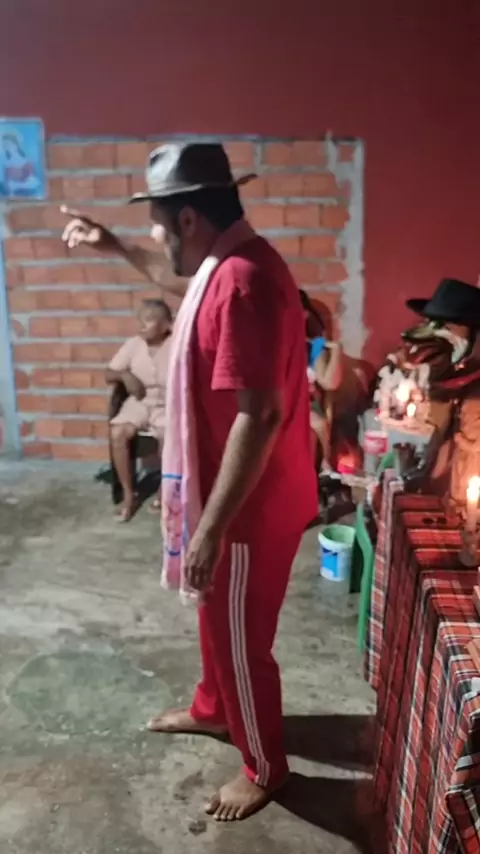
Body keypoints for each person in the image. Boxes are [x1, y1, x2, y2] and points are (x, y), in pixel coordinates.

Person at [62, 142, 317, 822]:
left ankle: (265, 765)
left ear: (186, 221)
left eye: (154, 222)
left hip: (249, 506)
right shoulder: (225, 268)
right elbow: (177, 279)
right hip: (235, 494)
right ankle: (214, 709)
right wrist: (114, 246)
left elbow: (260, 417)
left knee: (240, 641)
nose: (153, 235)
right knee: (214, 614)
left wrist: (210, 527)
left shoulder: (242, 283)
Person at [106, 299, 172, 522]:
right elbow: (108, 373)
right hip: (140, 401)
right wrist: (125, 375)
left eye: (149, 319)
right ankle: (129, 495)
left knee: (169, 436)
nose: (142, 325)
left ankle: (164, 490)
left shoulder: (177, 344)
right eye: (140, 319)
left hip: (168, 403)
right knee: (118, 432)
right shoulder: (134, 344)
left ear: (166, 325)